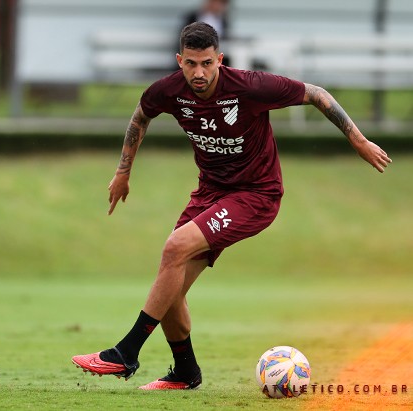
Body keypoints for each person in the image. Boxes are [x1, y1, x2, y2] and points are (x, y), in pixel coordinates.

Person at [72, 22, 391, 390]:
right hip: (210, 193)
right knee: (170, 285)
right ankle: (186, 373)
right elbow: (141, 115)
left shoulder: (250, 87)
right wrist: (122, 171)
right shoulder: (169, 91)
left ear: (220, 59)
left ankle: (126, 352)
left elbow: (316, 94)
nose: (199, 73)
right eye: (191, 64)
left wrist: (358, 140)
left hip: (256, 195)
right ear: (179, 61)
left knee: (174, 248)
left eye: (207, 63)